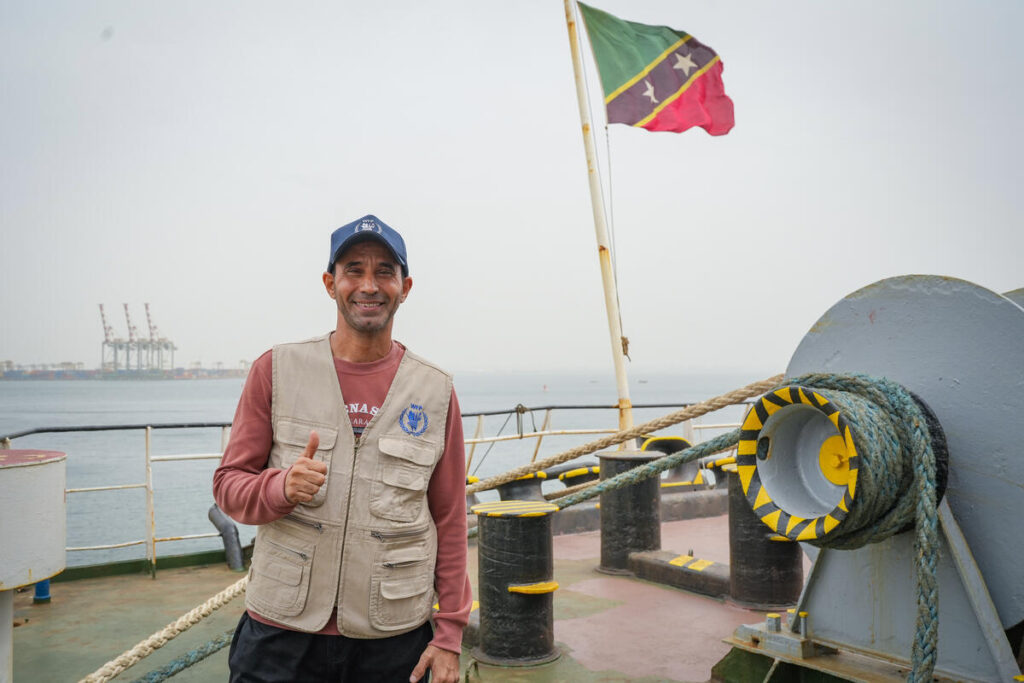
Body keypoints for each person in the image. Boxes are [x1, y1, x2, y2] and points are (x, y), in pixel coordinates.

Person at [213, 214, 472, 682]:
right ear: (330, 283)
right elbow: (228, 486)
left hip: (392, 640)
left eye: (384, 272)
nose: (368, 285)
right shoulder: (276, 370)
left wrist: (449, 634)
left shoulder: (435, 391)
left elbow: (450, 518)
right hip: (280, 635)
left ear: (405, 287)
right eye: (354, 270)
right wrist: (280, 488)